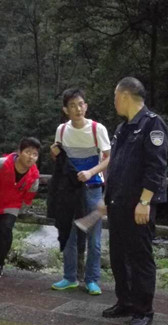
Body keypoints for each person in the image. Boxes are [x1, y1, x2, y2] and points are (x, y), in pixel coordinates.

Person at [101, 77, 168, 325]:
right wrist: (106, 199)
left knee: (140, 258)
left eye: (116, 96)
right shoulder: (123, 128)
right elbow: (116, 166)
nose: (114, 101)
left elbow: (156, 167)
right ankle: (125, 301)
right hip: (118, 203)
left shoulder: (152, 124)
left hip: (138, 204)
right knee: (119, 256)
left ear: (126, 96)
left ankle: (143, 310)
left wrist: (145, 201)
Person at [50, 88, 111, 295]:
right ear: (65, 109)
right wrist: (54, 152)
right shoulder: (61, 130)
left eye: (81, 104)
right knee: (69, 233)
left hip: (92, 187)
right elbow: (60, 158)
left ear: (86, 106)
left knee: (93, 236)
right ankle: (69, 277)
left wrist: (91, 171)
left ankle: (92, 279)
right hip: (69, 189)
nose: (78, 109)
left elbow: (110, 157)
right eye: (73, 105)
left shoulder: (97, 129)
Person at [0, 137, 41, 279]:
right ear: (19, 152)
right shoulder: (2, 163)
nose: (31, 157)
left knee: (5, 229)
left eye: (35, 154)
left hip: (12, 206)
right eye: (28, 152)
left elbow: (29, 195)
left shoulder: (34, 175)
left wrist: (21, 209)